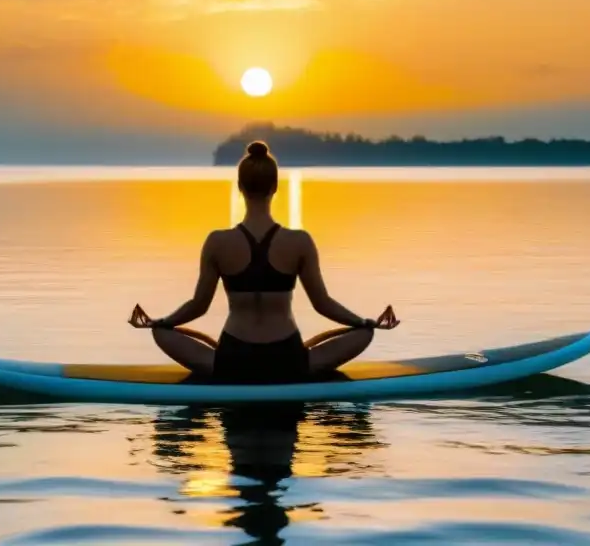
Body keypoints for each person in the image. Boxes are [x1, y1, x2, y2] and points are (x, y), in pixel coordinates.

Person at [128, 139, 399, 384]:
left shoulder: (218, 242)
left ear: (239, 187)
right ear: (275, 187)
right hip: (288, 358)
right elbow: (322, 304)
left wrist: (161, 322)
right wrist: (364, 323)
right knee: (364, 335)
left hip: (233, 358)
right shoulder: (299, 241)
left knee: (161, 334)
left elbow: (198, 306)